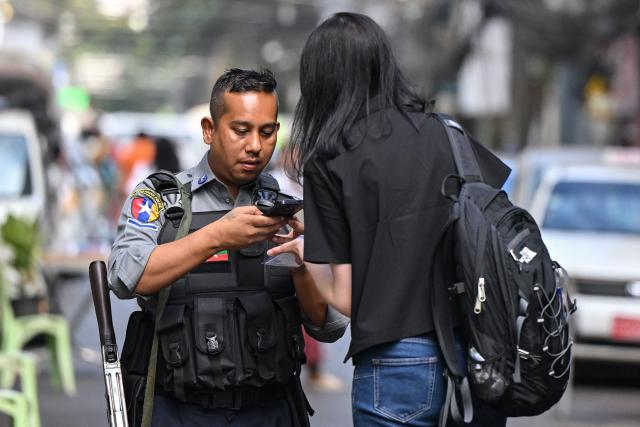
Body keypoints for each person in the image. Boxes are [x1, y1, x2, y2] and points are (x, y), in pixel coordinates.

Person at [267, 12, 510, 427]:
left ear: (320, 79)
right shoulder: (447, 133)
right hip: (478, 360)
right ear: (384, 65)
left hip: (398, 365)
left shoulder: (331, 157)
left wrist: (307, 257)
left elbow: (346, 299)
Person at [107, 68, 348, 427]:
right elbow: (126, 276)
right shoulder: (161, 199)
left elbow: (326, 326)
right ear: (209, 129)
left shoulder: (286, 207)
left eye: (266, 133)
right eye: (241, 130)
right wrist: (218, 236)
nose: (255, 145)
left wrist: (302, 265)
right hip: (179, 410)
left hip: (271, 410)